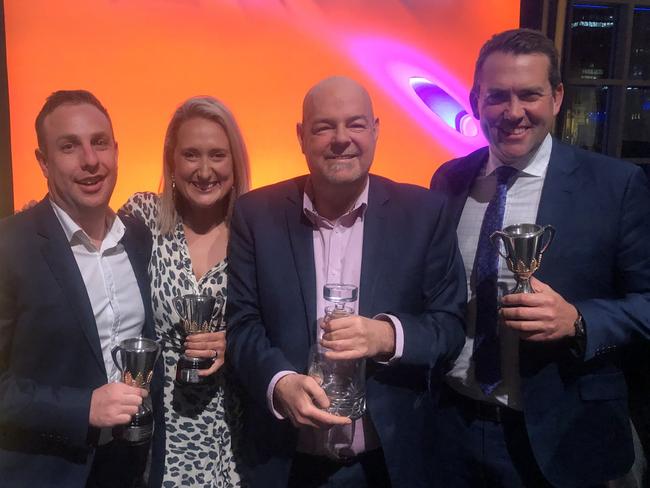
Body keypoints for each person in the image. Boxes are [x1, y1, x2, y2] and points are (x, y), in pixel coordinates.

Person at [430, 28, 650, 488]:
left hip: (565, 437)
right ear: (475, 100)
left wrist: (579, 320)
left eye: (529, 95)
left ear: (557, 97)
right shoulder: (448, 180)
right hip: (453, 427)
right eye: (497, 97)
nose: (513, 113)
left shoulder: (615, 185)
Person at [225, 76, 467, 488]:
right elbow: (241, 324)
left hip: (389, 465)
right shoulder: (255, 214)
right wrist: (279, 383)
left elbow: (450, 326)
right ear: (302, 136)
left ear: (375, 130)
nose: (341, 139)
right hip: (284, 462)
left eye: (355, 124)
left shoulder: (425, 213)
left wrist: (387, 335)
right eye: (324, 127)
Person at [0, 90, 163, 487]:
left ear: (116, 151)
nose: (91, 161)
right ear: (43, 161)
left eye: (100, 143)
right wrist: (82, 408)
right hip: (46, 472)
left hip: (129, 467)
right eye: (69, 146)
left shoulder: (138, 237)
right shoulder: (9, 246)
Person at [122, 96, 251, 487]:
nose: (205, 170)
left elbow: (278, 326)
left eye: (218, 155)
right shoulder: (143, 217)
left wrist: (236, 344)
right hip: (155, 437)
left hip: (234, 435)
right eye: (192, 154)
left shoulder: (257, 229)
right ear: (172, 161)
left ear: (235, 162)